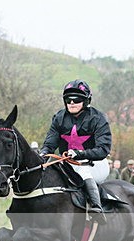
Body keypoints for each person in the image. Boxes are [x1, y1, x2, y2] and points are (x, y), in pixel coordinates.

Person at [40, 79, 111, 223]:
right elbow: (50, 144)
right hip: (67, 163)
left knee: (82, 172)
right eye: (68, 99)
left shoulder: (98, 118)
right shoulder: (59, 117)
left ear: (86, 101)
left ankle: (96, 208)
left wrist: (80, 154)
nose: (72, 102)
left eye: (77, 99)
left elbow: (103, 149)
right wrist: (42, 155)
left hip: (95, 164)